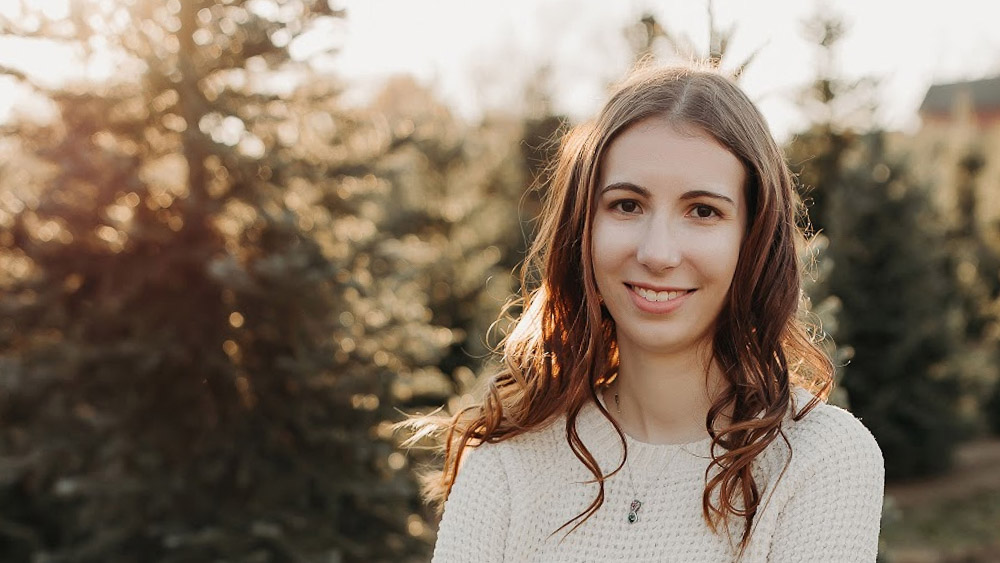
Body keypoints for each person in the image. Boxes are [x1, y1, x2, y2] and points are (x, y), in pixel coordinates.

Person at [417, 64, 884, 562]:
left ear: (752, 240)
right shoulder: (505, 466)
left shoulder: (819, 458)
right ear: (584, 227)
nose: (658, 253)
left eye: (703, 211)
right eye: (627, 205)